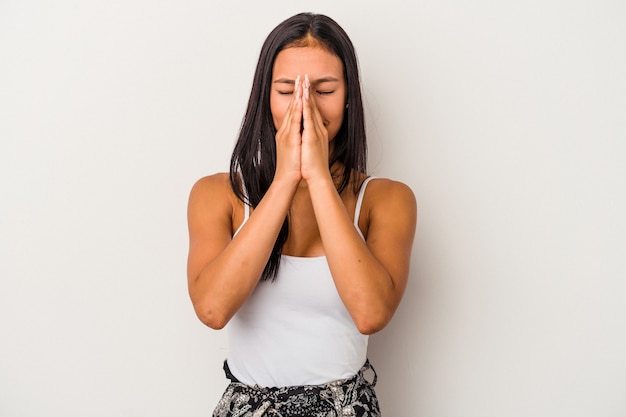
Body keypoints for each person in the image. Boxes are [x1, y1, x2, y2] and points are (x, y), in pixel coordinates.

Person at [186, 12, 417, 417]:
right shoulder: (216, 194)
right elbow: (212, 309)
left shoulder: (386, 199)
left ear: (348, 96)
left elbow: (370, 313)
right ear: (265, 97)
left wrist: (319, 178)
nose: (304, 104)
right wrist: (285, 179)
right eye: (286, 90)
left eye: (324, 89)